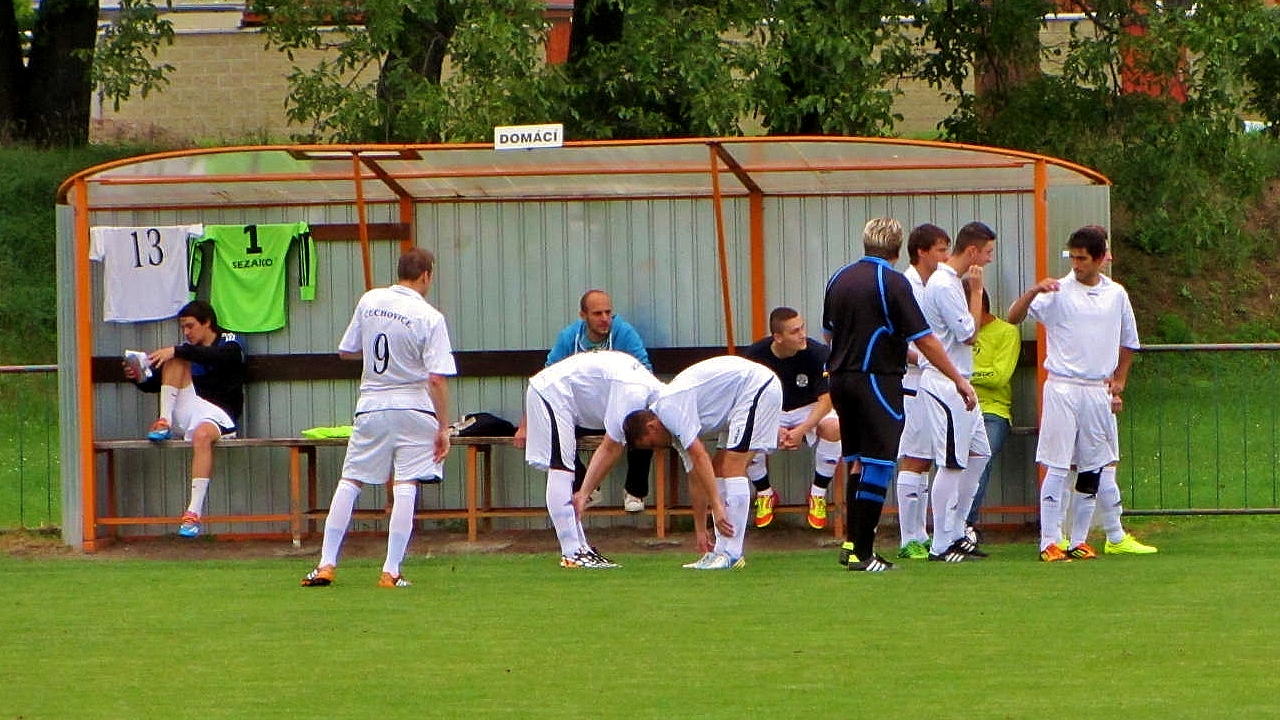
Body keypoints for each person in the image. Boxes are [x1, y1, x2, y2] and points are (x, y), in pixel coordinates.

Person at [822, 217, 976, 572]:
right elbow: (924, 339)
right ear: (897, 246)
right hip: (876, 379)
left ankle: (851, 544)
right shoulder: (891, 282)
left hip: (841, 379)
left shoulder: (839, 278)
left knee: (856, 460)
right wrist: (958, 378)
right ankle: (864, 553)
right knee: (879, 462)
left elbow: (829, 333)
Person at [301, 248, 456, 588]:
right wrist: (444, 427)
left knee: (351, 480)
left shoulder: (370, 300)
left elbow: (346, 350)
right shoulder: (430, 317)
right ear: (427, 275)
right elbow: (436, 378)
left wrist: (373, 348)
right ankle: (390, 570)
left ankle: (326, 563)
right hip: (414, 405)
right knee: (405, 484)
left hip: (371, 404)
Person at [1007, 225, 1157, 562]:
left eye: (1083, 259)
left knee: (1092, 467)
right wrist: (1034, 291)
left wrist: (1120, 379)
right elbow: (1013, 317)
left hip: (1096, 390)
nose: (1076, 265)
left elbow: (1129, 341)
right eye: (1073, 258)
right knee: (1057, 465)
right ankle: (1049, 541)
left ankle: (1079, 539)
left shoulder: (1116, 294)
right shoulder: (1057, 291)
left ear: (1101, 259)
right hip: (1063, 386)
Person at [621, 355, 782, 570]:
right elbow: (696, 475)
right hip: (736, 403)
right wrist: (700, 529)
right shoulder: (672, 430)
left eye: (650, 443)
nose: (655, 448)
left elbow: (700, 455)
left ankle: (732, 554)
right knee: (717, 470)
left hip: (756, 387)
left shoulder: (669, 409)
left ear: (652, 427)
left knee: (733, 466)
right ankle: (719, 551)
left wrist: (716, 505)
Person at [525, 350, 664, 569]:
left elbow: (613, 447)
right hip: (551, 392)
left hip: (564, 399)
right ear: (653, 425)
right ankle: (572, 552)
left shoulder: (649, 390)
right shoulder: (634, 393)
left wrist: (585, 492)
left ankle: (581, 549)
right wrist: (584, 493)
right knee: (561, 468)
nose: (656, 446)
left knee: (565, 468)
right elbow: (610, 447)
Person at [124, 300, 247, 538]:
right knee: (175, 358)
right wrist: (138, 377)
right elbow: (156, 384)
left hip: (219, 415)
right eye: (183, 328)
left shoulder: (230, 341)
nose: (186, 333)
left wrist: (178, 351)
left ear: (207, 323)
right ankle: (164, 421)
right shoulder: (184, 351)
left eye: (190, 326)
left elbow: (224, 357)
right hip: (189, 410)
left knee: (201, 435)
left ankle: (192, 514)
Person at [916, 221, 998, 563]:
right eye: (989, 252)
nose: (990, 259)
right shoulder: (946, 284)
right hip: (945, 381)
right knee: (951, 463)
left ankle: (958, 529)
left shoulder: (946, 282)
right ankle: (940, 544)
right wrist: (976, 290)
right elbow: (968, 334)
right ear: (973, 251)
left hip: (961, 381)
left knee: (979, 453)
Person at [541, 289, 654, 513]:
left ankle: (635, 490)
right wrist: (526, 423)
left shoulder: (624, 333)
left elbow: (645, 371)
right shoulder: (569, 337)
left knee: (644, 422)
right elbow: (547, 378)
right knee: (551, 429)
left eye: (608, 312)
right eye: (597, 314)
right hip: (583, 413)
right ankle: (587, 487)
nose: (604, 319)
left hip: (620, 410)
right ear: (583, 315)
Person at [740, 306, 841, 530]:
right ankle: (764, 493)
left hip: (809, 408)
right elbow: (746, 402)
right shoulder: (755, 356)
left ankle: (817, 494)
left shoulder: (818, 353)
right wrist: (771, 429)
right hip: (771, 413)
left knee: (835, 427)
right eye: (795, 331)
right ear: (777, 337)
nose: (802, 334)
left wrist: (801, 430)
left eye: (802, 328)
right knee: (745, 432)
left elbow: (827, 401)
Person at [893, 223, 952, 559]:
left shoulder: (937, 283)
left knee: (928, 457)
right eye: (941, 250)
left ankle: (922, 533)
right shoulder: (906, 286)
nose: (945, 257)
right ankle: (908, 537)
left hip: (932, 379)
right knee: (913, 457)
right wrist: (928, 360)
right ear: (922, 251)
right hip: (913, 381)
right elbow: (897, 339)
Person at [965, 289, 1021, 537]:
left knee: (979, 459)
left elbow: (999, 376)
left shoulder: (1007, 332)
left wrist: (964, 375)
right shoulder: (956, 333)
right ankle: (944, 528)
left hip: (991, 409)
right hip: (956, 405)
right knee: (948, 463)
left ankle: (965, 524)